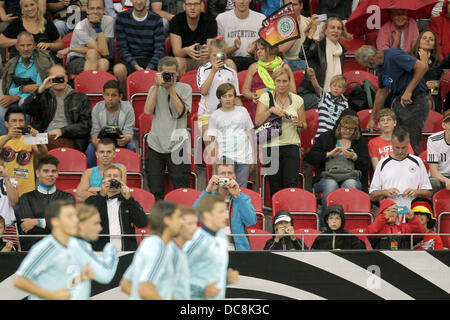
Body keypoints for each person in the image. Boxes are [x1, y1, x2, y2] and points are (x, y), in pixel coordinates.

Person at [355, 45, 430, 155]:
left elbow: (422, 67)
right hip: (400, 102)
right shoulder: (380, 67)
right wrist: (372, 118)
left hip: (416, 100)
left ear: (371, 59)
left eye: (367, 65)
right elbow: (381, 92)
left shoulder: (393, 56)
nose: (369, 68)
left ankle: (412, 170)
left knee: (410, 143)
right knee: (398, 142)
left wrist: (408, 91)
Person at [14, 200, 93, 300]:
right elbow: (20, 280)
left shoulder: (73, 246)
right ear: (55, 221)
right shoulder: (46, 248)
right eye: (69, 217)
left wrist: (81, 277)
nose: (75, 220)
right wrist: (52, 296)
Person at [304, 110, 370, 226]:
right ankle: (326, 225)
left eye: (351, 129)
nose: (347, 131)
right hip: (326, 177)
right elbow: (309, 157)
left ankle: (349, 224)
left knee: (350, 184)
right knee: (331, 184)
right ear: (339, 126)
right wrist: (328, 154)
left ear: (356, 129)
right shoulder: (327, 137)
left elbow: (366, 165)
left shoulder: (360, 142)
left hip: (351, 177)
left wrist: (354, 157)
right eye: (345, 128)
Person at [143, 56, 191, 200]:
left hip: (178, 145)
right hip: (155, 144)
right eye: (166, 73)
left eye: (172, 74)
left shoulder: (185, 88)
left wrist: (170, 89)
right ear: (158, 74)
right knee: (155, 189)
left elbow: (182, 111)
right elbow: (147, 111)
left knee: (181, 188)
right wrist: (157, 86)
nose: (169, 76)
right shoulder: (154, 89)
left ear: (178, 74)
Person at [255, 68, 307, 196]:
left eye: (285, 81)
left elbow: (304, 126)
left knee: (291, 184)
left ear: (289, 82)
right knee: (275, 184)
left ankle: (289, 213)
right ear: (274, 82)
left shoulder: (297, 100)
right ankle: (278, 214)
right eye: (278, 81)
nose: (282, 84)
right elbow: (257, 121)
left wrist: (299, 123)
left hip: (291, 144)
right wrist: (271, 110)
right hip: (271, 146)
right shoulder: (266, 97)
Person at [120, 200, 182, 300]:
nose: (182, 222)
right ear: (167, 220)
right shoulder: (159, 247)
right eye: (179, 218)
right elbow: (144, 289)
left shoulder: (149, 243)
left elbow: (125, 284)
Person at [22, 64, 91, 151]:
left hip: (68, 138)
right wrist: (40, 90)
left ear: (66, 78)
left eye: (61, 77)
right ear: (49, 80)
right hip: (44, 136)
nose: (59, 81)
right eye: (55, 78)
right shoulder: (44, 96)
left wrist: (62, 131)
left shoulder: (80, 98)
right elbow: (25, 109)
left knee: (32, 144)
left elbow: (85, 126)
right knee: (21, 141)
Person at [184, 194, 239, 300]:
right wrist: (201, 290)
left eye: (225, 211)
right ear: (207, 215)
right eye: (221, 212)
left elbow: (209, 277)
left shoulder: (222, 237)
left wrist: (226, 279)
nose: (226, 216)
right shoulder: (195, 241)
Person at [17, 154, 75, 251]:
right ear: (38, 173)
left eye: (53, 171)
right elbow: (28, 227)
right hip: (33, 247)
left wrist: (36, 221)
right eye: (46, 171)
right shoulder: (26, 197)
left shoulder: (68, 197)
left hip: (61, 247)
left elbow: (67, 224)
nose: (50, 174)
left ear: (57, 174)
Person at [0, 31, 53, 136]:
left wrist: (17, 97)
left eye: (29, 45)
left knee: (24, 103)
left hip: (39, 100)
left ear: (34, 46)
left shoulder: (42, 61)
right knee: (1, 109)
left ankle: (27, 139)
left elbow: (38, 88)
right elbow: (10, 90)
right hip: (17, 97)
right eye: (22, 45)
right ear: (17, 47)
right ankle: (5, 140)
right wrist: (23, 89)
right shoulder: (13, 64)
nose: (26, 48)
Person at [85, 165, 148, 252]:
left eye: (115, 176)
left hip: (126, 252)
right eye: (108, 176)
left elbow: (142, 223)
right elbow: (86, 220)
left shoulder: (129, 201)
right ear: (103, 180)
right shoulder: (92, 200)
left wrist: (130, 200)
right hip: (99, 252)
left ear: (121, 180)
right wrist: (102, 196)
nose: (112, 179)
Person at [195, 163, 257, 250]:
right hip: (213, 250)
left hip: (237, 251)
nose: (226, 176)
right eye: (223, 173)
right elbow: (195, 217)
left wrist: (238, 196)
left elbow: (251, 221)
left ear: (235, 176)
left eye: (230, 173)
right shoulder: (209, 197)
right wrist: (207, 191)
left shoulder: (242, 198)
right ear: (216, 177)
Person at [369, 125, 432, 208]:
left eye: (404, 148)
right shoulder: (382, 163)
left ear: (408, 143)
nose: (400, 151)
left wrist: (416, 192)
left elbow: (428, 193)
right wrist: (385, 192)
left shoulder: (417, 162)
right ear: (391, 143)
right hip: (390, 212)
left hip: (412, 211)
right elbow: (372, 195)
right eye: (397, 147)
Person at [298, 16, 351, 110]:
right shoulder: (317, 46)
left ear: (341, 32)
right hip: (311, 93)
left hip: (332, 93)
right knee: (329, 106)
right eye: (332, 27)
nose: (335, 30)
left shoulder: (341, 52)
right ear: (325, 30)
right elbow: (303, 55)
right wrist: (310, 34)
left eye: (339, 28)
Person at [113, 0, 165, 95]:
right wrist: (135, 66)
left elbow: (159, 49)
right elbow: (122, 49)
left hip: (151, 58)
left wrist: (149, 68)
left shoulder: (156, 19)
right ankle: (125, 99)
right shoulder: (121, 18)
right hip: (130, 60)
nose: (138, 2)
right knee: (118, 70)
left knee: (168, 68)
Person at [207, 84, 254, 187]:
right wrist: (214, 166)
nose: (227, 99)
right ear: (219, 98)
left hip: (244, 157)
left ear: (235, 97)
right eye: (224, 96)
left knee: (241, 189)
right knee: (225, 189)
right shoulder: (215, 116)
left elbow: (250, 134)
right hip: (225, 157)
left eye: (230, 95)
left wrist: (253, 158)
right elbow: (213, 142)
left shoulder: (243, 111)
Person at [68, 204, 119, 299]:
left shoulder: (71, 243)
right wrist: (111, 252)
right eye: (95, 223)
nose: (100, 228)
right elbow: (105, 275)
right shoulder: (76, 245)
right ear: (81, 225)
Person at [197, 38, 242, 143]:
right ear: (209, 55)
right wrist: (213, 71)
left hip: (228, 115)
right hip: (207, 115)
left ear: (225, 55)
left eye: (220, 56)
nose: (217, 59)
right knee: (212, 151)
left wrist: (242, 115)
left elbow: (236, 97)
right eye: (214, 55)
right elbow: (203, 91)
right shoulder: (202, 70)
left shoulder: (231, 72)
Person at [243, 39, 296, 122]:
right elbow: (245, 90)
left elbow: (293, 91)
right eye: (257, 49)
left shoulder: (284, 67)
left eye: (262, 49)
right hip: (258, 106)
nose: (259, 52)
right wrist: (253, 96)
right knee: (262, 134)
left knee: (275, 134)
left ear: (271, 49)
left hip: (279, 106)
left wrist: (276, 96)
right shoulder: (253, 67)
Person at [86, 80, 136, 168]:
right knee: (91, 149)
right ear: (103, 95)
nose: (110, 98)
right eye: (107, 95)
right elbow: (95, 131)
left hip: (120, 141)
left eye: (113, 95)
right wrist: (95, 141)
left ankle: (129, 174)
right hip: (102, 141)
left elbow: (128, 131)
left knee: (131, 147)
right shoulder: (97, 108)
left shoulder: (128, 108)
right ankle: (92, 174)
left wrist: (126, 139)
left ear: (120, 96)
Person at [0, 106, 47, 197]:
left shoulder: (29, 139)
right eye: (14, 121)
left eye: (21, 120)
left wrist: (37, 137)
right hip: (6, 192)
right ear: (6, 124)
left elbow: (44, 154)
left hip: (27, 192)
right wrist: (8, 137)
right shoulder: (2, 139)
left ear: (25, 123)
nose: (18, 124)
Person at [58, 0, 114, 75]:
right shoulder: (80, 27)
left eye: (99, 8)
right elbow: (100, 51)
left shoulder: (109, 21)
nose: (95, 12)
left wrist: (97, 26)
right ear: (87, 10)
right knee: (92, 53)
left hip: (98, 56)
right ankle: (90, 84)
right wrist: (98, 26)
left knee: (104, 62)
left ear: (104, 10)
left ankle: (91, 85)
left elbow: (104, 52)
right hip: (77, 58)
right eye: (92, 8)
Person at [169, 0, 217, 75]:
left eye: (196, 4)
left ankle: (206, 86)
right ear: (184, 6)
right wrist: (186, 51)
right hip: (183, 59)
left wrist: (208, 51)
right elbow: (176, 52)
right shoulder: (176, 20)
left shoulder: (210, 21)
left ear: (201, 6)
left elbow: (210, 49)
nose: (192, 7)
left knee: (211, 62)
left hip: (201, 59)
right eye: (189, 4)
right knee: (178, 62)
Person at [215, 0, 265, 72]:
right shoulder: (221, 19)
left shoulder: (261, 18)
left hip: (254, 60)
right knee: (229, 64)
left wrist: (256, 50)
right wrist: (234, 47)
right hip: (230, 60)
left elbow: (266, 50)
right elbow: (218, 52)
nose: (242, 1)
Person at [76, 138, 127, 203]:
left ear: (114, 154)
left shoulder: (120, 168)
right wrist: (104, 193)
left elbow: (120, 192)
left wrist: (94, 190)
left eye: (109, 152)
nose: (105, 155)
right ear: (97, 154)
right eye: (102, 152)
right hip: (94, 211)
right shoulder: (88, 172)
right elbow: (79, 196)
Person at [278, 0, 320, 72]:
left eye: (294, 5)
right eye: (287, 5)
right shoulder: (278, 25)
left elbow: (315, 51)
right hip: (286, 61)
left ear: (301, 6)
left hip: (305, 61)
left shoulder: (309, 22)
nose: (291, 8)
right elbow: (280, 51)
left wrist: (310, 33)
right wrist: (296, 31)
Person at [306, 68, 348, 139]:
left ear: (343, 90)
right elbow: (317, 87)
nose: (336, 88)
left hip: (335, 136)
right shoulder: (325, 96)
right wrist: (313, 76)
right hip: (321, 134)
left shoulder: (345, 103)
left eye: (339, 87)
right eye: (334, 86)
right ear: (330, 86)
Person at [168, 205, 197, 300]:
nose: (195, 228)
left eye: (195, 223)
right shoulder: (166, 251)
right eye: (190, 224)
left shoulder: (187, 251)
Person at [409, 30, 443, 111]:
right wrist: (424, 63)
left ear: (434, 45)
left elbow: (439, 81)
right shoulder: (409, 58)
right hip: (412, 91)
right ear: (419, 42)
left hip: (432, 93)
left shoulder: (438, 61)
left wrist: (436, 84)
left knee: (432, 95)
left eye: (431, 39)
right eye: (424, 38)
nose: (427, 40)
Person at [427, 110, 450, 195]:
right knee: (433, 182)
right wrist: (446, 180)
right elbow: (433, 172)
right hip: (439, 176)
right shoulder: (433, 139)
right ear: (444, 125)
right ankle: (434, 207)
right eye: (449, 123)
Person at [0, 157, 19, 249]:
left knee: (9, 255)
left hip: (8, 227)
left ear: (3, 166)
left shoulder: (11, 182)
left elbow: (14, 202)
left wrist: (6, 177)